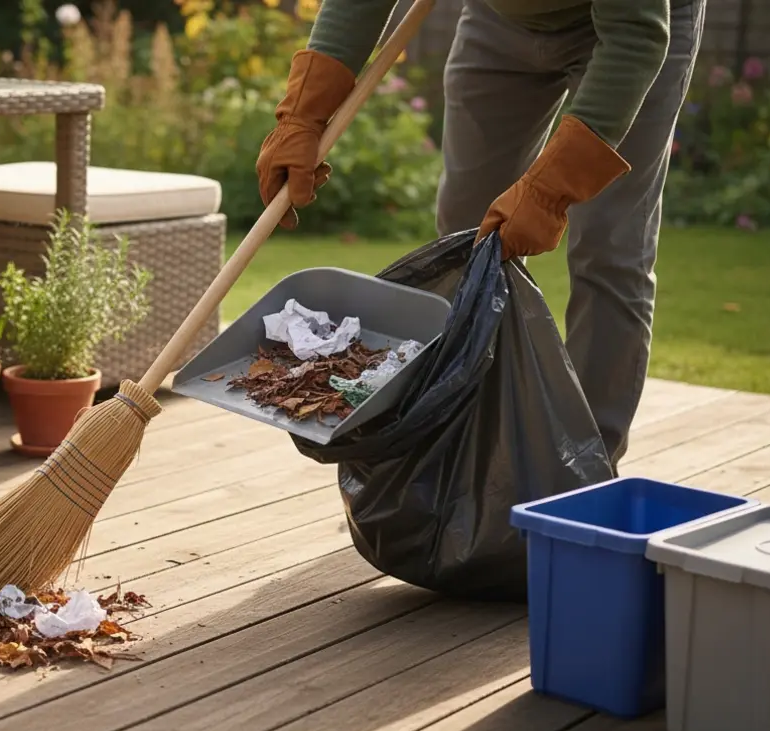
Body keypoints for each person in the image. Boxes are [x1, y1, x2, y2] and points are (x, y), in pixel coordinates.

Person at [256, 0, 705, 466]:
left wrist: (551, 191)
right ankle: (465, 458)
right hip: (499, 21)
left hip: (632, 31)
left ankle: (580, 475)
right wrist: (302, 116)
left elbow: (637, 35)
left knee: (608, 251)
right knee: (465, 241)